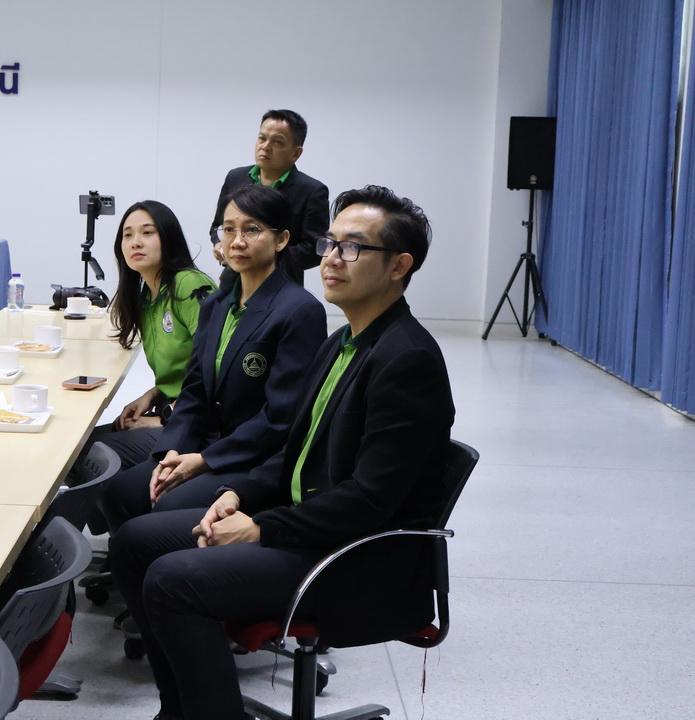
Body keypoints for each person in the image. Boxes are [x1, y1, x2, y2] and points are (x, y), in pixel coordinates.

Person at [110, 185, 456, 720]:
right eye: (330, 243)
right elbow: (296, 453)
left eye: (352, 247)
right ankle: (180, 710)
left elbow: (369, 500)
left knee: (172, 581)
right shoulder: (343, 342)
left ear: (398, 266)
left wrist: (261, 527)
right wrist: (238, 493)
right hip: (308, 525)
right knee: (134, 542)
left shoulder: (407, 360)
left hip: (349, 557)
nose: (331, 258)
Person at [100, 184, 328, 533]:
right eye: (229, 229)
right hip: (205, 443)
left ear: (282, 240)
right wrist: (172, 450)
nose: (236, 241)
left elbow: (280, 418)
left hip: (255, 459)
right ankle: (137, 560)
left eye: (251, 230)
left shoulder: (299, 310)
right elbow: (194, 391)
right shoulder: (217, 305)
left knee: (165, 505)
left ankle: (163, 561)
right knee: (120, 492)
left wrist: (204, 460)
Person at [68, 200, 215, 479]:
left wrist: (165, 416)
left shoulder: (188, 283)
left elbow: (217, 364)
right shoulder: (146, 295)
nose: (136, 242)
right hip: (177, 407)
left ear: (168, 238)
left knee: (80, 454)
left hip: (201, 420)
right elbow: (183, 368)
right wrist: (152, 394)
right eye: (128, 235)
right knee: (75, 445)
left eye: (147, 232)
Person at [209, 109, 329, 287]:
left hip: (281, 284)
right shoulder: (235, 177)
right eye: (262, 138)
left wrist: (263, 256)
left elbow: (315, 249)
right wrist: (219, 243)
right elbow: (217, 226)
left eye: (277, 142)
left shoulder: (311, 190)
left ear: (296, 153)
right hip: (232, 281)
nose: (265, 146)